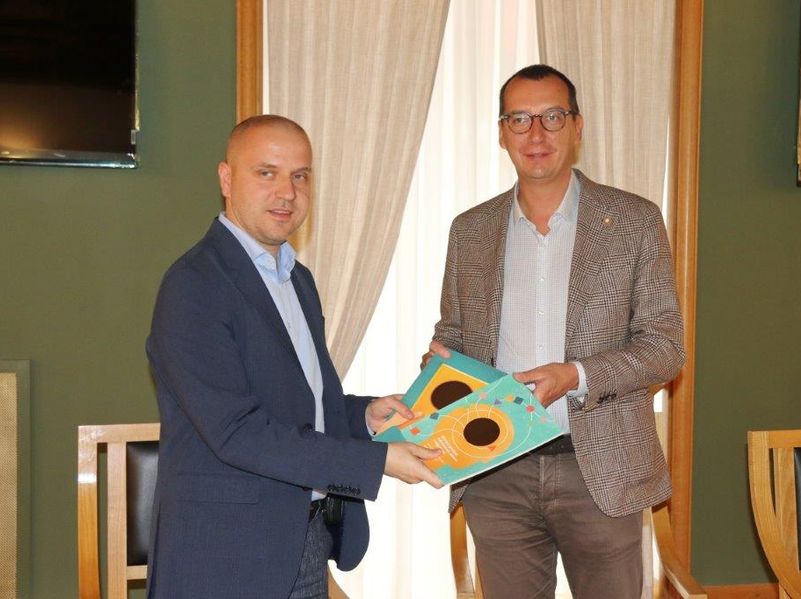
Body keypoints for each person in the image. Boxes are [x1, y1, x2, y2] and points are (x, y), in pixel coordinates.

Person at [146, 114, 442, 599]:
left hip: (304, 538)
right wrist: (377, 460)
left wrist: (364, 416)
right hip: (224, 555)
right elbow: (236, 431)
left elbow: (302, 406)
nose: (287, 192)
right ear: (226, 179)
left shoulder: (297, 280)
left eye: (300, 176)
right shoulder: (193, 285)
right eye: (267, 173)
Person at [424, 64, 685, 598]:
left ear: (577, 126)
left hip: (603, 471)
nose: (536, 133)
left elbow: (665, 347)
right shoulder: (469, 231)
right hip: (496, 471)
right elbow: (453, 334)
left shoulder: (634, 221)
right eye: (519, 119)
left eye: (552, 116)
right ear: (502, 133)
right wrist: (439, 368)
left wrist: (575, 375)